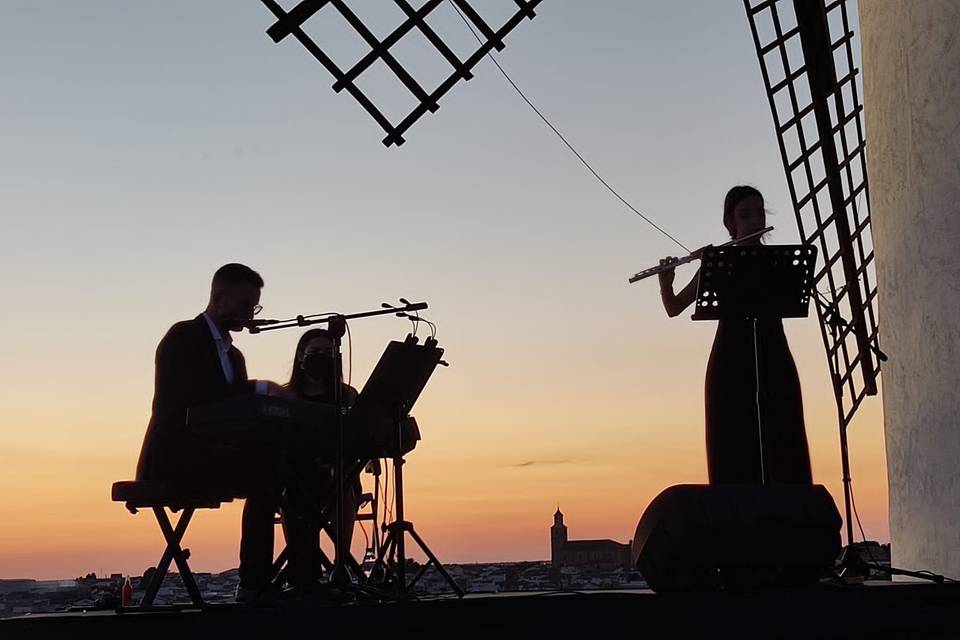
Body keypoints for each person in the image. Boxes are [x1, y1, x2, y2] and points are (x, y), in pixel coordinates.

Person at [135, 263, 303, 602]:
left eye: (254, 307)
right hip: (178, 457)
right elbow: (193, 400)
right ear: (221, 299)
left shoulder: (234, 355)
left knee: (287, 464)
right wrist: (260, 387)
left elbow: (236, 410)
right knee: (270, 470)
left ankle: (300, 574)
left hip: (217, 453)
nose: (250, 314)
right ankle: (254, 582)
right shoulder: (182, 338)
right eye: (245, 306)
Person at [657, 186, 812, 485]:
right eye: (745, 215)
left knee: (782, 428)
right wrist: (667, 282)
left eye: (759, 213)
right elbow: (674, 307)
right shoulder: (718, 261)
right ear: (731, 223)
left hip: (773, 351)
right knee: (730, 432)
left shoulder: (781, 261)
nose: (755, 221)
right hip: (731, 356)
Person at [280, 329, 363, 581]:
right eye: (314, 353)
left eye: (327, 354)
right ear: (300, 357)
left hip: (338, 475)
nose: (320, 358)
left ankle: (341, 564)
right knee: (292, 492)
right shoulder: (285, 396)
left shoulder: (347, 395)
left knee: (343, 488)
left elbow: (359, 437)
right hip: (296, 476)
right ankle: (303, 566)